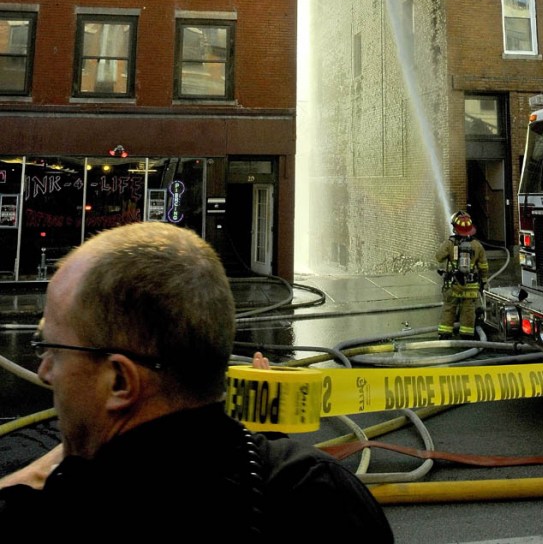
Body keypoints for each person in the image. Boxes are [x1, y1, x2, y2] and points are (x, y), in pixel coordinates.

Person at [0, 222, 394, 540]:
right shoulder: (326, 497)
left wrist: (46, 469)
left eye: (51, 347)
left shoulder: (46, 518)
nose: (44, 371)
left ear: (121, 381)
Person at [435, 210, 489, 340]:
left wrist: (446, 246)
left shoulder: (450, 243)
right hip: (470, 287)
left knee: (449, 308)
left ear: (455, 228)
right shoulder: (477, 245)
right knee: (468, 310)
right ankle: (466, 334)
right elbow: (483, 266)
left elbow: (438, 257)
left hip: (453, 285)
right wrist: (484, 280)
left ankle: (445, 333)